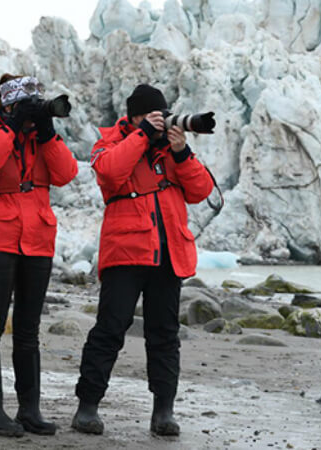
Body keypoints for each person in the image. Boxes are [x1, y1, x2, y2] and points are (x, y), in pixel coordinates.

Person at [72, 84, 214, 436]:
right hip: (125, 253)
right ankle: (87, 407)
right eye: (153, 116)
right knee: (109, 329)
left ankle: (163, 412)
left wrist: (182, 153)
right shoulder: (111, 142)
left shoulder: (170, 149)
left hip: (168, 255)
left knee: (165, 335)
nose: (160, 121)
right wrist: (142, 136)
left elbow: (201, 192)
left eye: (162, 115)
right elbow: (109, 172)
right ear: (134, 116)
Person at [0, 74, 78, 437]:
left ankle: (29, 409)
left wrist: (45, 131)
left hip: (38, 237)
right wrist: (11, 128)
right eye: (26, 106)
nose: (32, 112)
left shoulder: (40, 137)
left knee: (28, 330)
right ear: (9, 105)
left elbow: (66, 173)